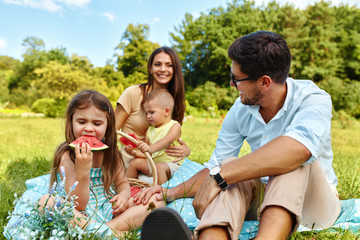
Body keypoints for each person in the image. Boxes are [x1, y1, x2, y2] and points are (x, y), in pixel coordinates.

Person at [137, 31, 341, 240]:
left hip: (314, 206)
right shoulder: (241, 108)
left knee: (291, 161)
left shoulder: (313, 98)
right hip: (265, 198)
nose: (231, 85)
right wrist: (169, 192)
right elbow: (214, 166)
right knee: (230, 165)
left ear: (264, 82)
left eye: (236, 79)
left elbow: (298, 149)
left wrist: (221, 175)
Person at [40, 90, 165, 237]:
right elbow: (78, 204)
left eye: (97, 123)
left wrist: (124, 197)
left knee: (157, 202)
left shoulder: (111, 154)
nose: (88, 128)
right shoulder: (67, 157)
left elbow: (122, 184)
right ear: (71, 122)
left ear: (108, 127)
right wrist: (83, 171)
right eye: (81, 122)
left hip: (109, 210)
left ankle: (103, 231)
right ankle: (110, 234)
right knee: (46, 202)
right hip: (78, 214)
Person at [115, 46, 190, 170]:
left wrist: (185, 150)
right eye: (157, 64)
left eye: (169, 65)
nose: (162, 69)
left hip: (160, 167)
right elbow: (110, 132)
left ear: (175, 69)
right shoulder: (133, 93)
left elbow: (169, 137)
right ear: (150, 68)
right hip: (130, 167)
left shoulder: (174, 101)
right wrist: (114, 161)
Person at [125, 89, 183, 184]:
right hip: (154, 165)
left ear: (167, 111)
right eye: (146, 113)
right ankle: (127, 188)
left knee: (160, 167)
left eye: (151, 112)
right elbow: (148, 154)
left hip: (172, 166)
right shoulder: (149, 130)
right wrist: (134, 152)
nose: (148, 116)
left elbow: (166, 141)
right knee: (134, 163)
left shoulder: (174, 126)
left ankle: (160, 194)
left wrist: (150, 148)